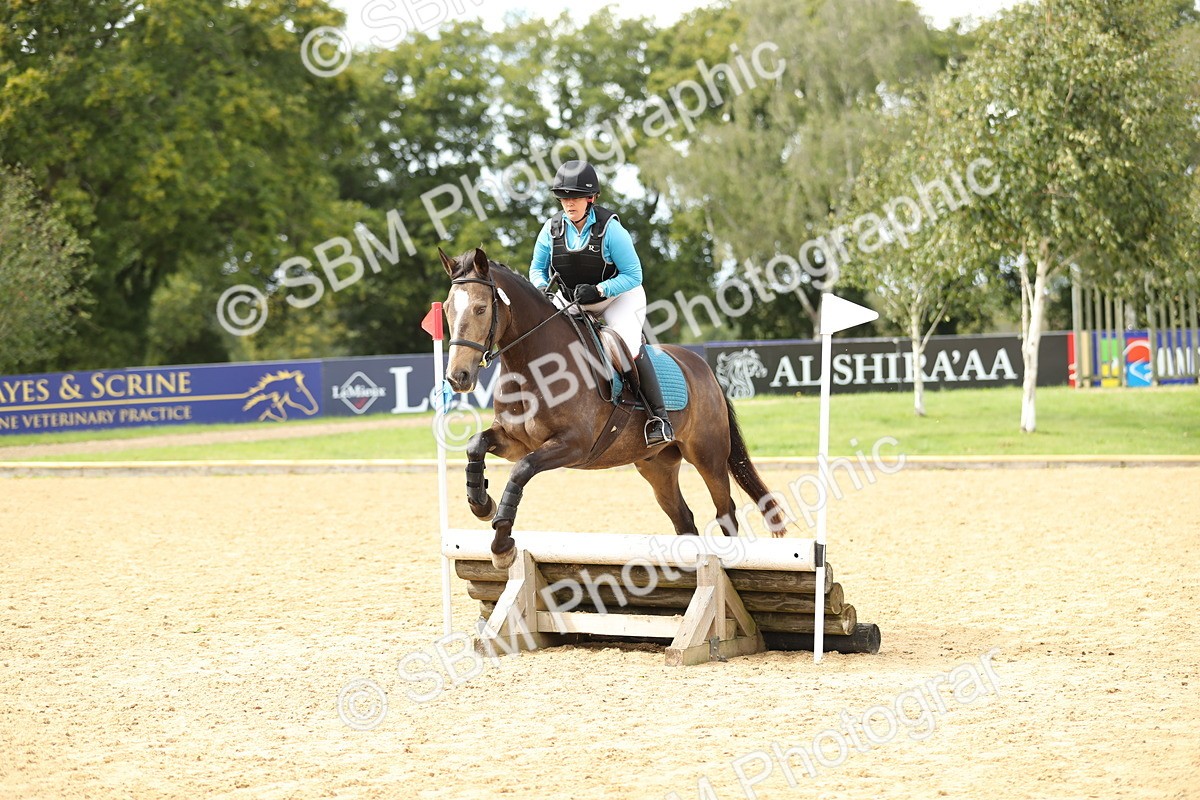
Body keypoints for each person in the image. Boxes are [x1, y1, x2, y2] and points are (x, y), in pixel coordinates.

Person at [528, 160, 674, 446]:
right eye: (564, 198)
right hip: (572, 299)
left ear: (590, 198)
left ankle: (659, 418)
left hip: (618, 297)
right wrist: (542, 291)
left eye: (575, 198)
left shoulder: (611, 230)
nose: (569, 204)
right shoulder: (550, 230)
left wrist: (598, 290)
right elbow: (537, 269)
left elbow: (634, 274)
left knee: (626, 345)